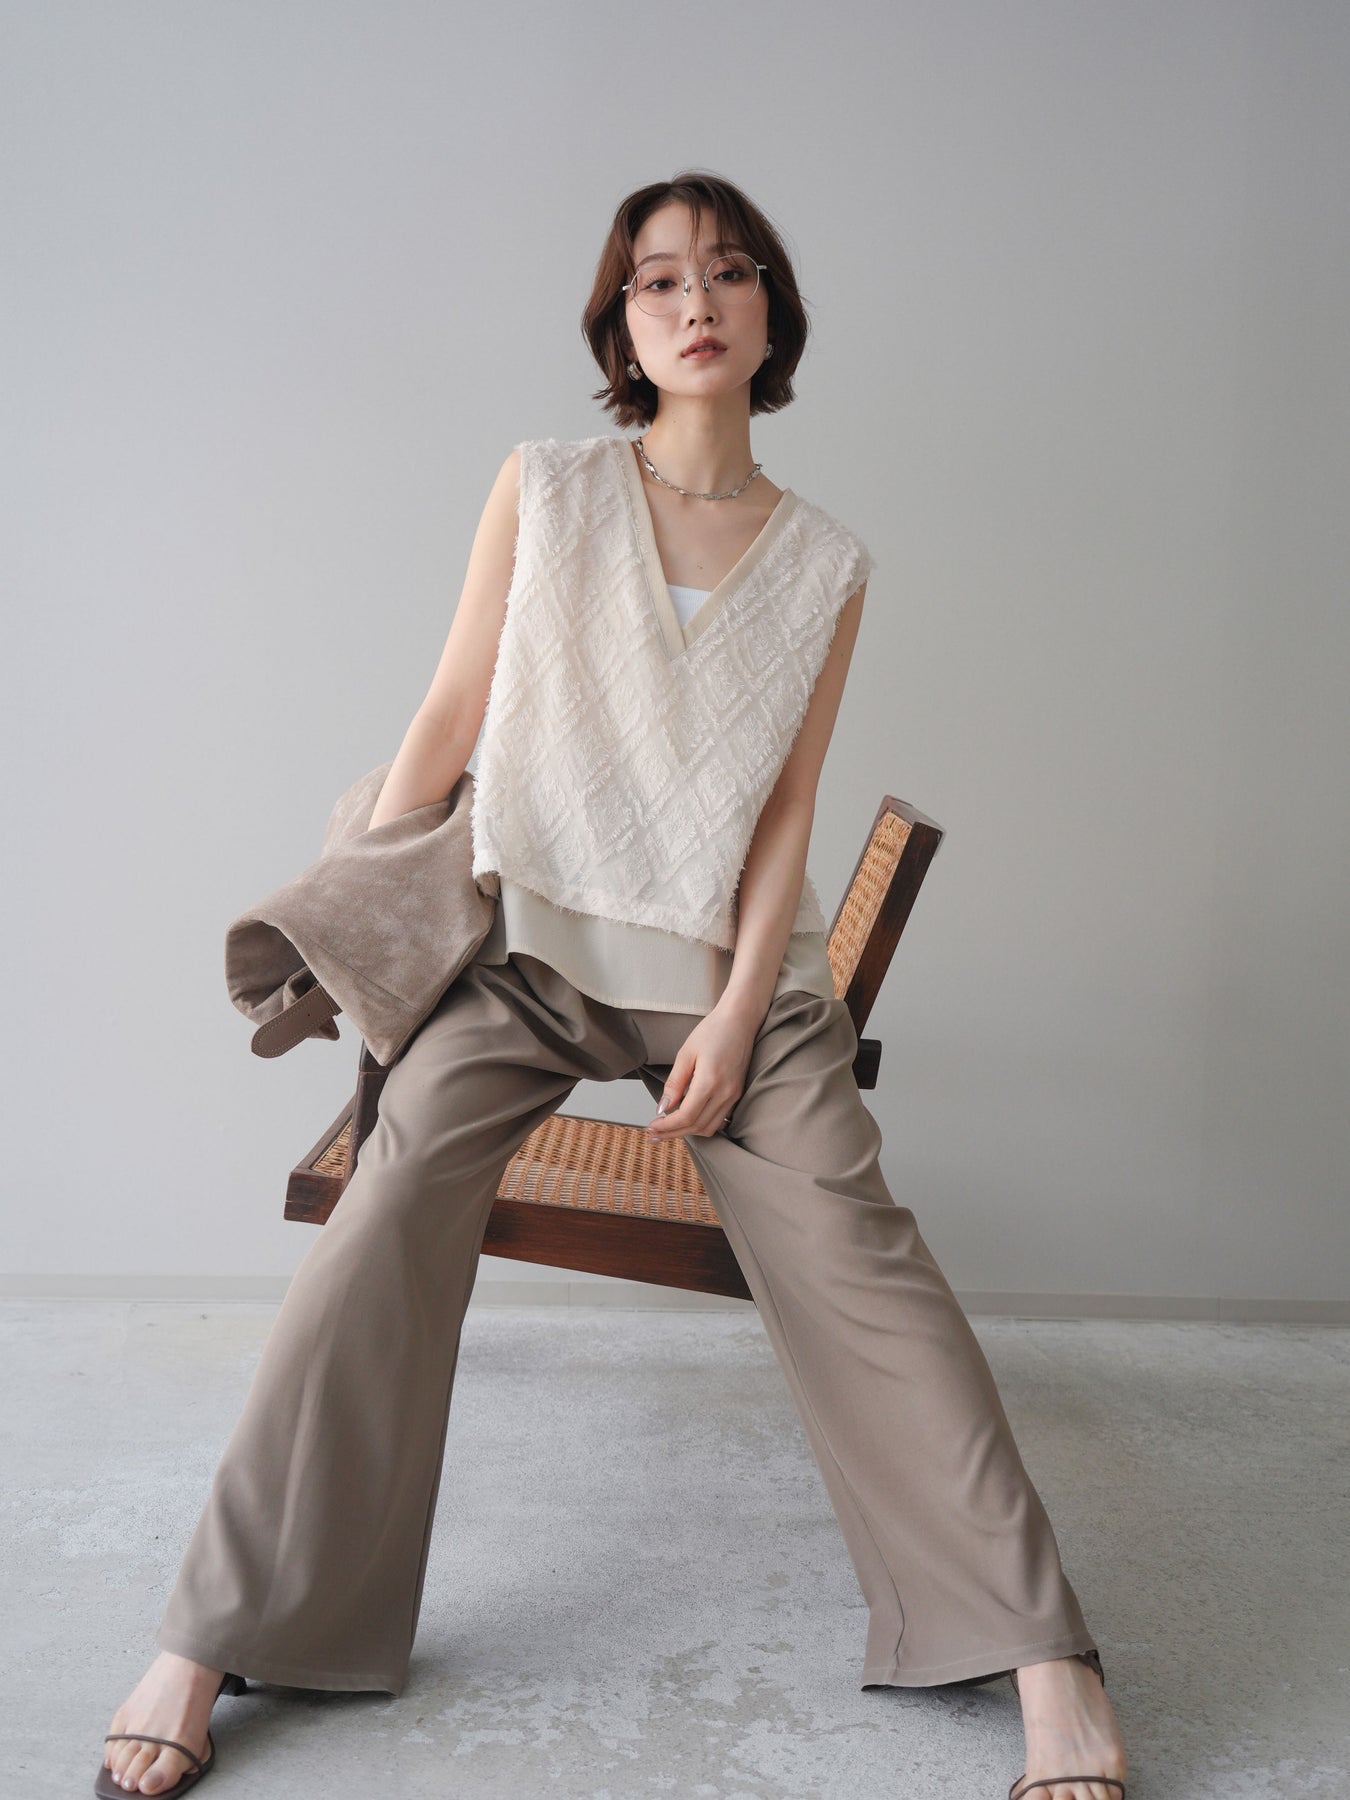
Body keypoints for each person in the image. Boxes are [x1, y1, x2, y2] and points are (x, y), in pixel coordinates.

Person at [98, 171, 1129, 1800]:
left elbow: (785, 811)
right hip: (522, 962)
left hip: (727, 985)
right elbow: (448, 717)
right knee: (383, 1213)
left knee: (869, 1264)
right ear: (619, 327)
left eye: (727, 272)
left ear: (772, 314)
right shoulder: (548, 485)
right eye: (657, 280)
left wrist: (733, 1011)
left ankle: (1039, 1654)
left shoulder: (827, 559)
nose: (693, 301)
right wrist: (354, 914)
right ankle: (214, 1631)